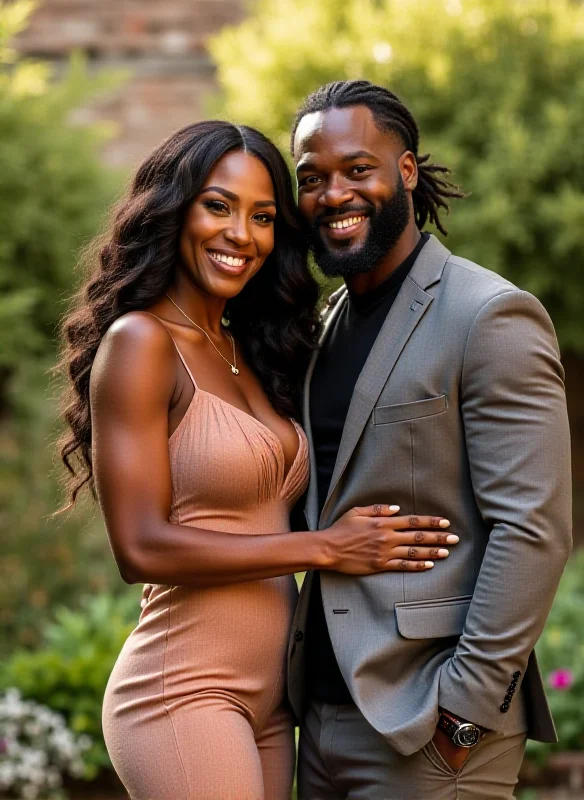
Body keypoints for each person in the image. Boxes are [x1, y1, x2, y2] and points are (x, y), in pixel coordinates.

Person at [57, 120, 459, 799]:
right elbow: (141, 548)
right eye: (218, 206)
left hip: (272, 702)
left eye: (263, 216)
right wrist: (324, 549)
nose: (241, 234)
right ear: (171, 209)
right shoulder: (142, 342)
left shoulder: (248, 348)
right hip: (183, 689)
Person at [287, 80, 572, 800]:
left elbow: (533, 530)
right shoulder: (326, 323)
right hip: (317, 720)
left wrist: (464, 719)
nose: (333, 194)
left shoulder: (490, 316)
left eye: (358, 169)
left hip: (428, 734)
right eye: (311, 179)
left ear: (406, 172)